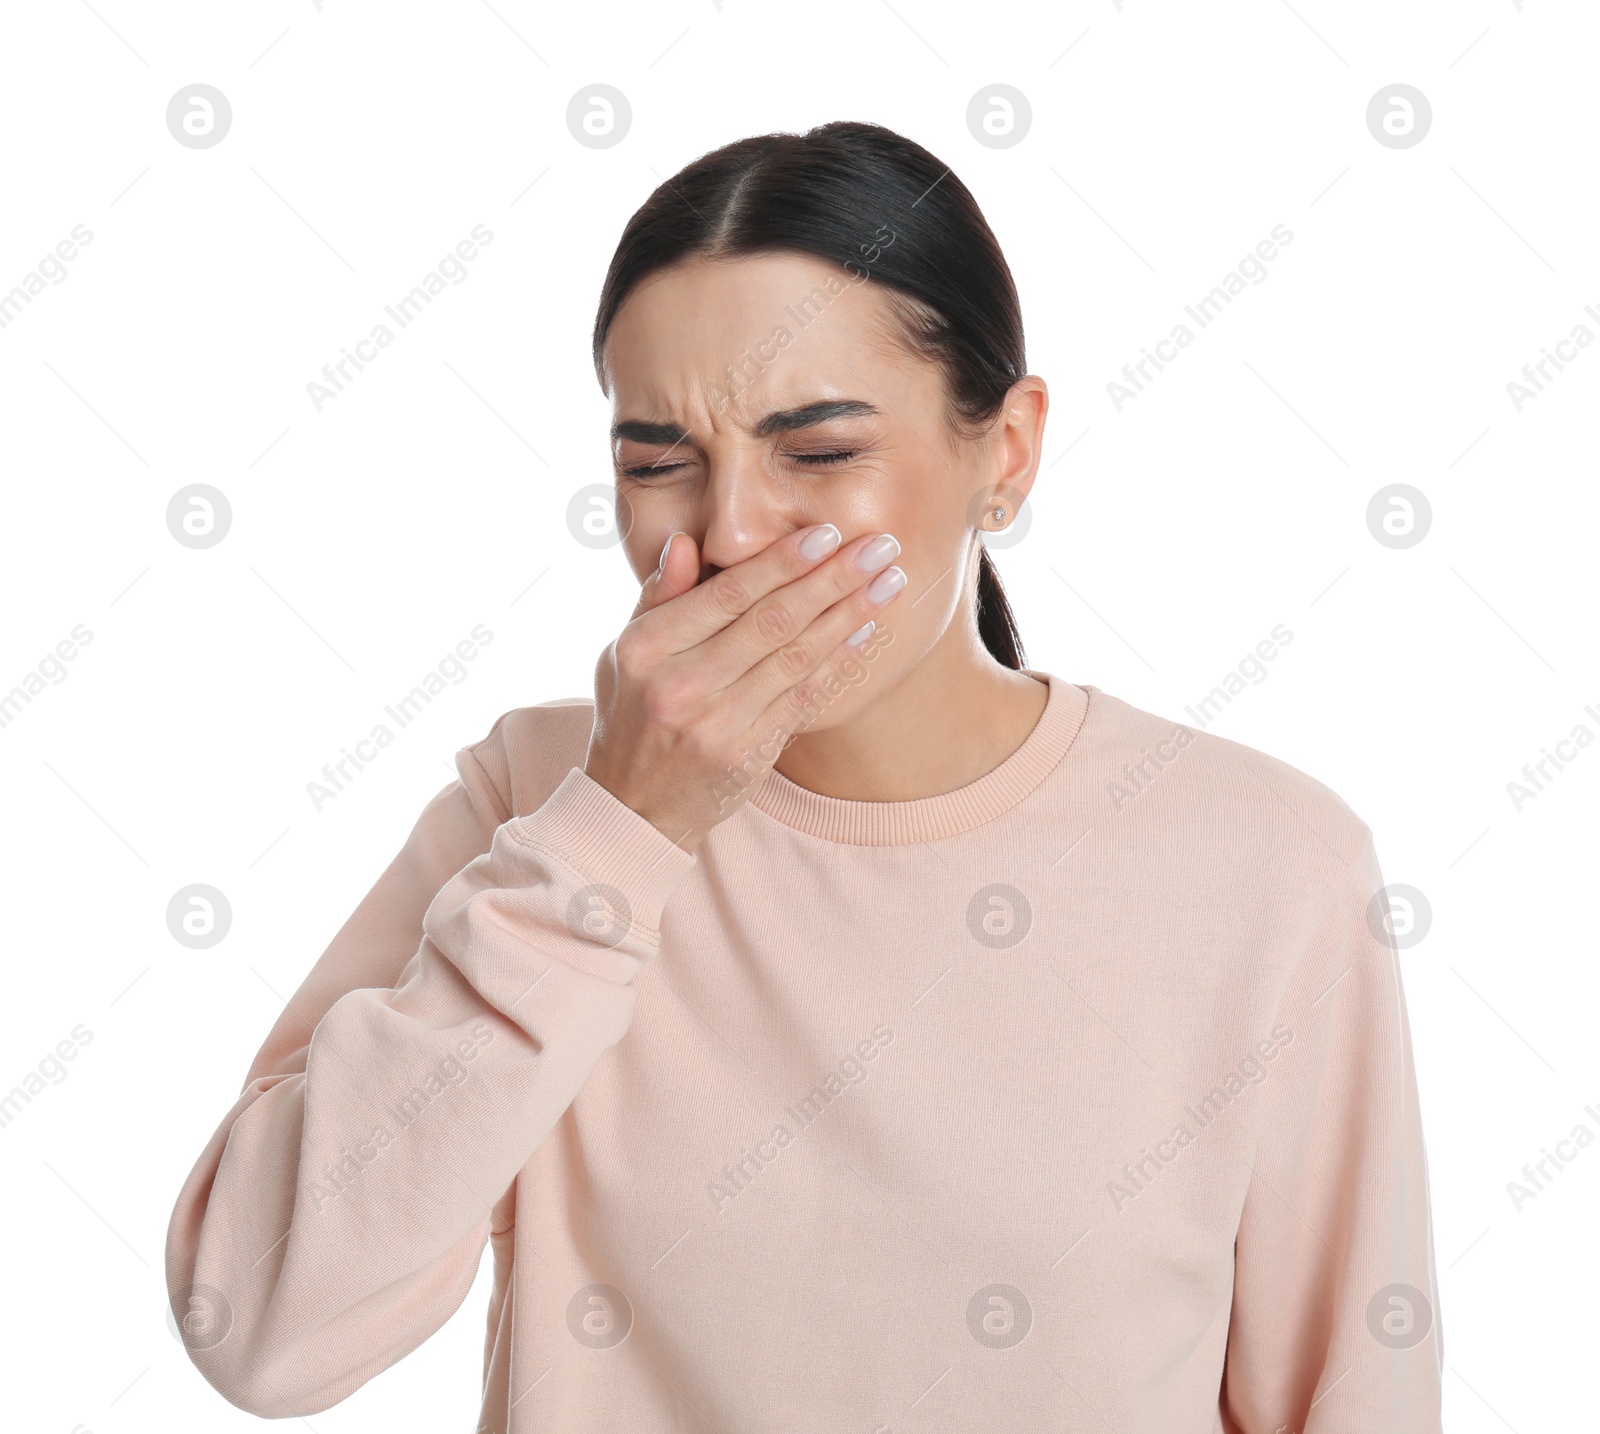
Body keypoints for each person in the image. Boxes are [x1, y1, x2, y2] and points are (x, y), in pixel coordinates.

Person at [166, 120, 1443, 1431]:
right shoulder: (538, 799)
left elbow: (1351, 1397)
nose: (725, 533)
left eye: (818, 452)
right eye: (659, 462)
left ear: (1005, 450)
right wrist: (621, 828)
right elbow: (260, 1330)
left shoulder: (1268, 859)